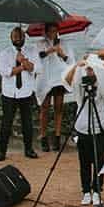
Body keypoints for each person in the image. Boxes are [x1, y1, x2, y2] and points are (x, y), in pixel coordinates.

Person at [64, 48, 104, 207]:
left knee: (99, 161)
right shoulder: (80, 85)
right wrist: (77, 66)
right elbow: (67, 81)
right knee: (84, 162)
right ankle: (86, 191)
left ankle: (97, 191)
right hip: (83, 128)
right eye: (88, 69)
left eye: (92, 69)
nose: (90, 72)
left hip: (100, 128)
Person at [0, 27, 40, 161]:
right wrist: (22, 67)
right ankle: (2, 151)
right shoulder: (5, 53)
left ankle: (29, 149)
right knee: (6, 123)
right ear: (11, 38)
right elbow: (6, 72)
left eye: (20, 37)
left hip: (26, 91)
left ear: (24, 38)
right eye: (15, 37)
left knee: (27, 122)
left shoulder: (32, 51)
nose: (18, 39)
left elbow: (36, 68)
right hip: (9, 93)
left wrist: (24, 61)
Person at [33, 24, 70, 152]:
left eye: (55, 31)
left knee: (59, 107)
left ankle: (57, 136)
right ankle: (43, 136)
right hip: (45, 79)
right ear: (46, 32)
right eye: (50, 31)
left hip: (59, 78)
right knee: (45, 108)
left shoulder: (63, 43)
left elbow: (69, 60)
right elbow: (38, 57)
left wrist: (61, 54)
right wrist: (50, 50)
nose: (52, 33)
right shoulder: (40, 43)